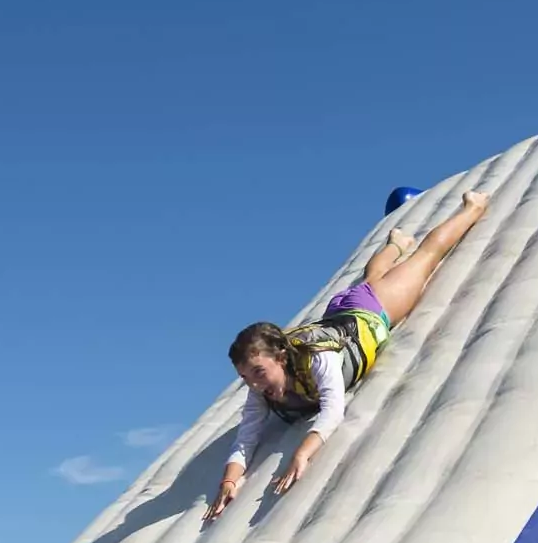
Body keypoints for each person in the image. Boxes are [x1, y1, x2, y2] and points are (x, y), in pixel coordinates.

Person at [206, 189, 490, 520]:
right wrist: (230, 480)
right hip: (339, 311)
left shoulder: (317, 359)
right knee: (371, 279)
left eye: (257, 371)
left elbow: (332, 409)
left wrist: (303, 453)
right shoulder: (263, 392)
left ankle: (472, 208)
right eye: (245, 377)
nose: (253, 384)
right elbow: (246, 437)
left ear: (280, 358)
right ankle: (396, 245)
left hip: (372, 310)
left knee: (426, 259)